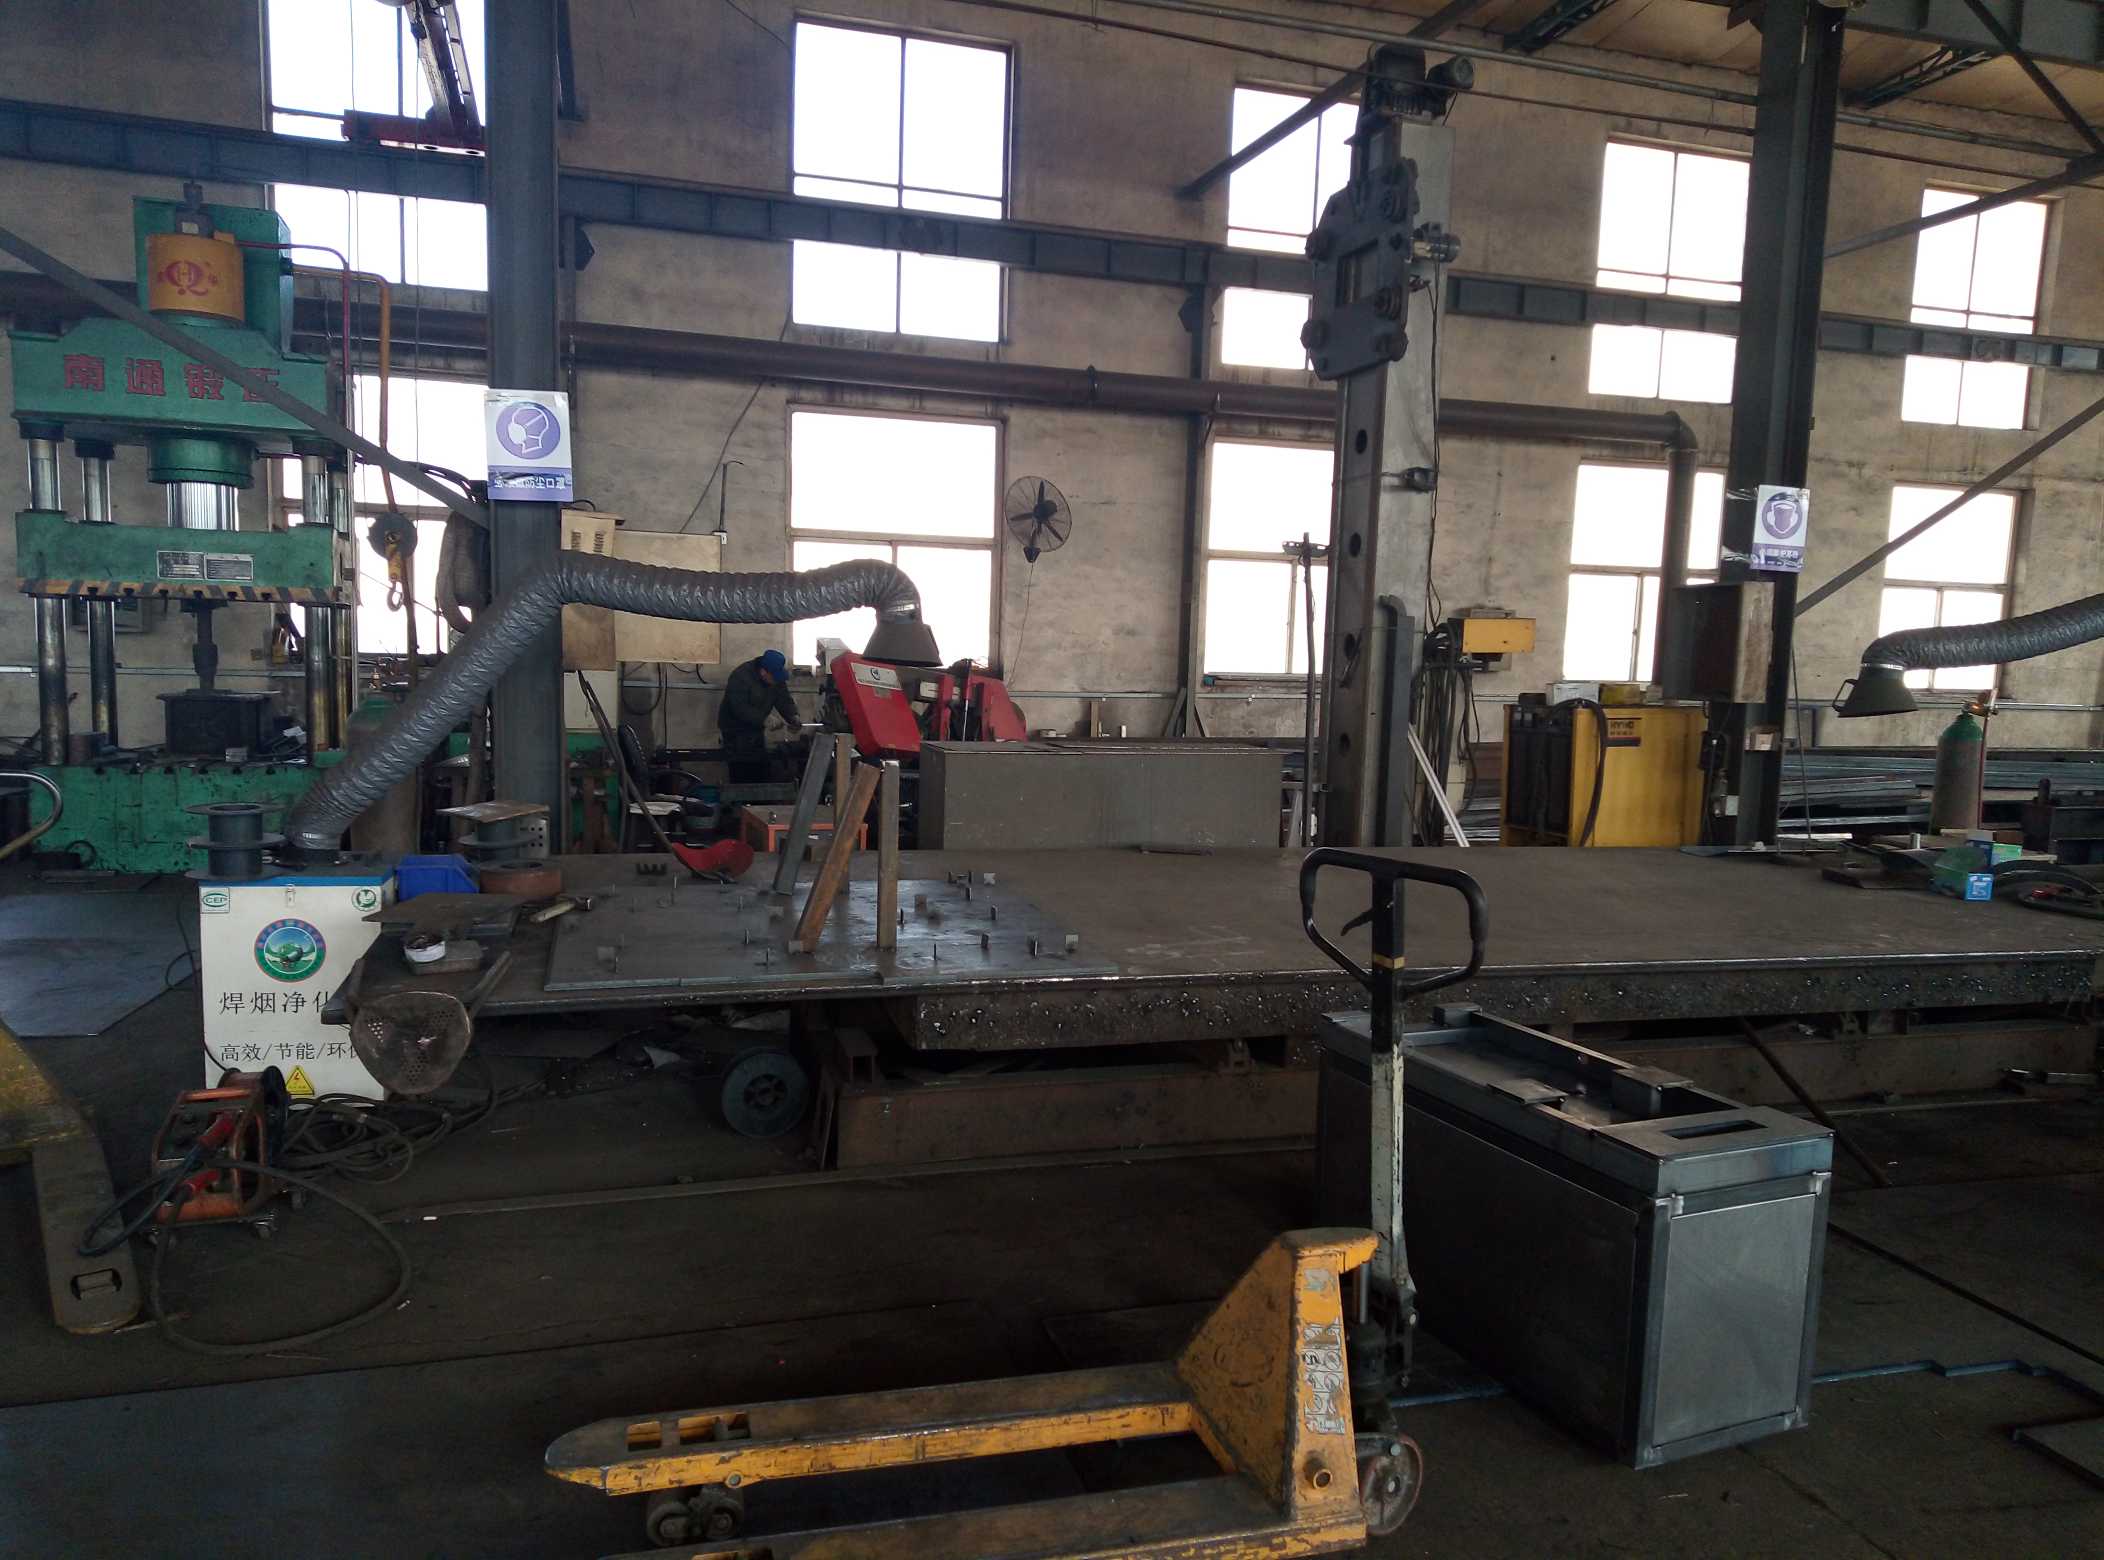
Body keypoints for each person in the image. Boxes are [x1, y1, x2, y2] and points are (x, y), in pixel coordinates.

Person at [718, 647, 799, 782]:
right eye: (774, 678)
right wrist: (765, 719)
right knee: (741, 771)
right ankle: (741, 794)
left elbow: (783, 698)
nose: (776, 681)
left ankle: (759, 794)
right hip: (734, 730)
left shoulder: (775, 676)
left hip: (755, 730)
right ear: (763, 672)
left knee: (760, 769)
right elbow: (739, 707)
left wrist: (793, 716)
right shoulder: (740, 676)